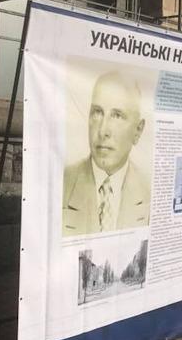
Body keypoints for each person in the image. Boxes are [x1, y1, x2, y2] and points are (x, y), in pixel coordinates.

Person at [62, 71, 150, 236]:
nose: (103, 131)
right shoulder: (61, 183)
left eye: (117, 116)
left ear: (138, 130)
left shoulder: (150, 191)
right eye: (97, 112)